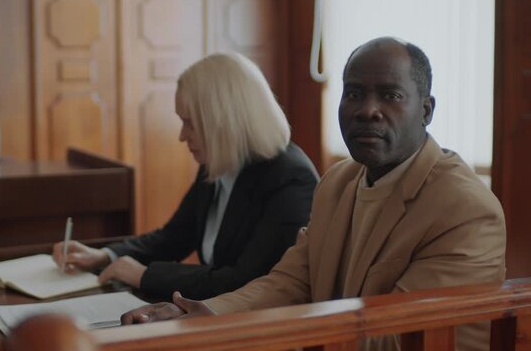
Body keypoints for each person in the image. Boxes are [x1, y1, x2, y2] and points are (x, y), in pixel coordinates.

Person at [120, 37, 506, 350]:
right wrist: (202, 313)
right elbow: (290, 282)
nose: (367, 110)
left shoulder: (466, 209)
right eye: (354, 93)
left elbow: (401, 336)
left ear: (426, 110)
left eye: (390, 95)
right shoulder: (338, 183)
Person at [52, 52, 319, 300]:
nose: (182, 136)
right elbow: (174, 237)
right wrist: (105, 255)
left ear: (225, 121)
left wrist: (143, 275)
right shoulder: (219, 161)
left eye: (190, 123)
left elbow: (246, 281)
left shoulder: (291, 179)